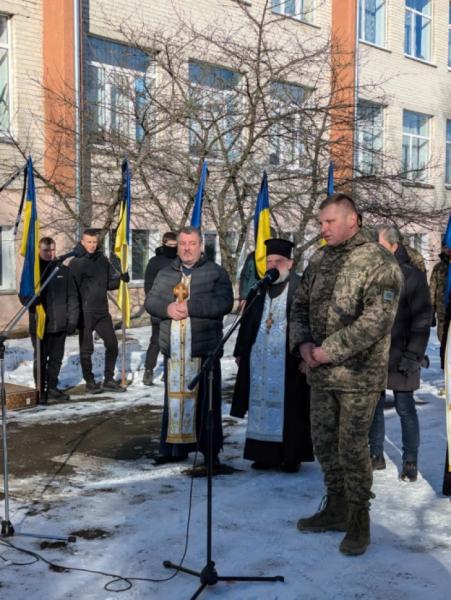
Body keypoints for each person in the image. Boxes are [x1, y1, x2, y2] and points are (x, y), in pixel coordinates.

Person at [290, 193, 403, 556]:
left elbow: (376, 321)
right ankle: (336, 508)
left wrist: (327, 351)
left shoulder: (378, 262)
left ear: (351, 220)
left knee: (352, 450)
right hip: (321, 374)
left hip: (357, 376)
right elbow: (300, 305)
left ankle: (358, 521)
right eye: (320, 223)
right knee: (324, 444)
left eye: (329, 222)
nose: (322, 229)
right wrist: (304, 344)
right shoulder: (320, 259)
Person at [145, 226, 233, 469]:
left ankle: (210, 452)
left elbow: (224, 302)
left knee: (207, 404)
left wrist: (190, 307)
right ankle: (173, 449)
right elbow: (150, 300)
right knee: (173, 402)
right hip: (173, 351)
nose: (187, 248)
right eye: (183, 243)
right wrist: (167, 309)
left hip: (203, 350)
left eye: (192, 243)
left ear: (201, 246)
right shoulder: (165, 273)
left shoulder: (215, 273)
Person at [231, 238, 314, 473]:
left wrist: (306, 356)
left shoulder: (301, 287)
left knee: (292, 407)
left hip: (290, 359)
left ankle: (291, 456)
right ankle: (263, 454)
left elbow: (312, 323)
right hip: (260, 361)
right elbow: (247, 321)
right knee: (260, 406)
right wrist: (240, 352)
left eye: (278, 261)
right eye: (269, 261)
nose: (273, 265)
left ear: (290, 263)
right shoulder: (259, 287)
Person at [369, 226, 431, 482]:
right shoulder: (375, 273)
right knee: (374, 407)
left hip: (403, 354)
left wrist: (413, 355)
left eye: (380, 245)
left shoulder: (413, 276)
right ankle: (376, 455)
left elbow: (422, 320)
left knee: (405, 408)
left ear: (393, 246)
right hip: (377, 354)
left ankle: (410, 461)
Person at [69, 229, 129, 393]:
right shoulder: (76, 263)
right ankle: (90, 381)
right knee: (87, 349)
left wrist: (121, 280)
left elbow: (109, 283)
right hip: (85, 312)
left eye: (95, 242)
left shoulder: (102, 260)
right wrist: (73, 315)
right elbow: (71, 290)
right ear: (82, 242)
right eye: (89, 242)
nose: (92, 245)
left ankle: (109, 379)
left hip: (102, 311)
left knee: (112, 345)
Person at [21, 237, 79, 403]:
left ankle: (52, 388)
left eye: (52, 250)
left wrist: (72, 320)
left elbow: (73, 297)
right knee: (40, 358)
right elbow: (23, 294)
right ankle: (40, 390)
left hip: (60, 323)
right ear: (39, 250)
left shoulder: (63, 270)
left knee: (56, 359)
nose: (50, 253)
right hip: (40, 324)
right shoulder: (33, 272)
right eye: (46, 250)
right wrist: (28, 300)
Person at [142, 232, 178, 386]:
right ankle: (149, 370)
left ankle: (169, 371)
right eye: (169, 245)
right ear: (163, 244)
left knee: (173, 341)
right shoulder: (155, 262)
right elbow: (148, 286)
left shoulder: (180, 260)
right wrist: (154, 304)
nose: (172, 248)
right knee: (156, 340)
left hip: (176, 306)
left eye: (174, 245)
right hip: (159, 307)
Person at [430, 244, 451, 348]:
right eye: (446, 247)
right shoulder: (438, 268)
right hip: (442, 311)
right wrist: (431, 309)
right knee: (443, 341)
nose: (448, 249)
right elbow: (432, 290)